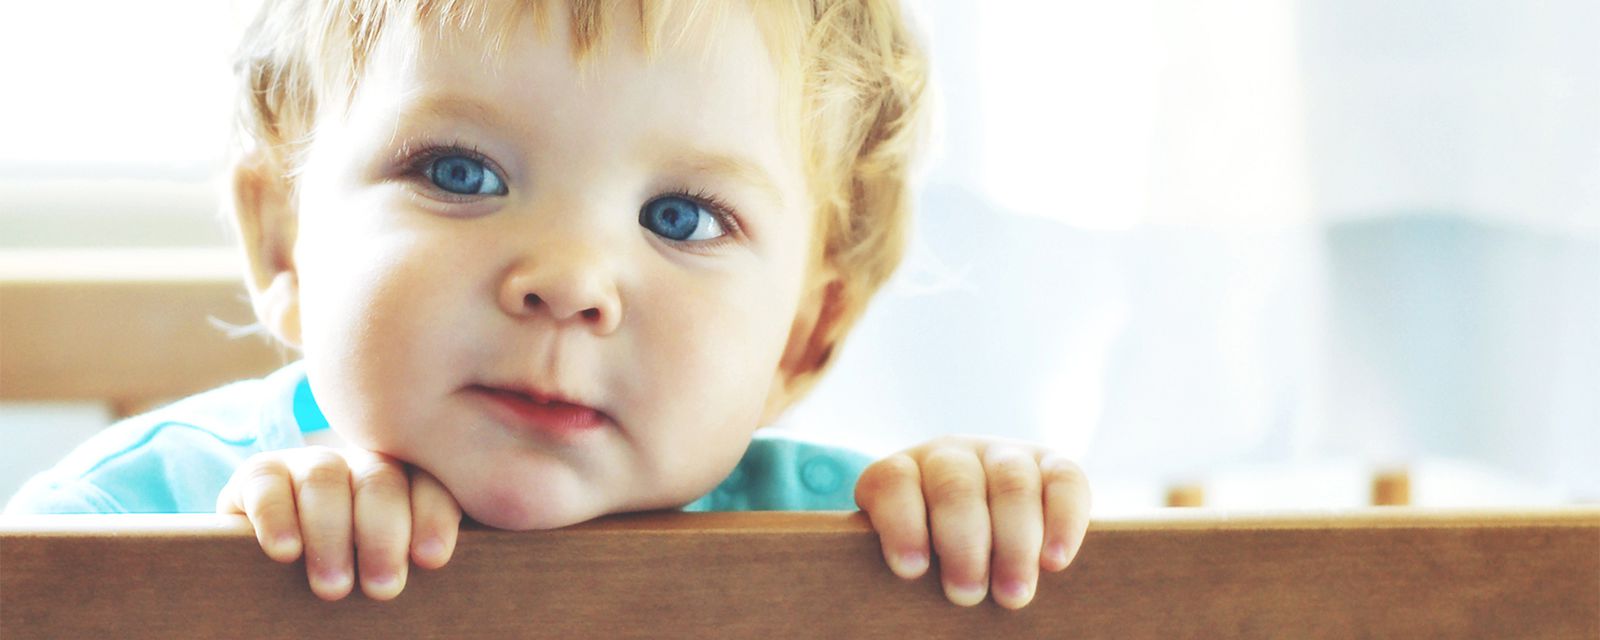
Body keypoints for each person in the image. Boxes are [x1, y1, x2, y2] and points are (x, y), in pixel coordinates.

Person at [6, 0, 1090, 610]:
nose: (569, 279)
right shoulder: (129, 525)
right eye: (460, 172)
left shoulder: (865, 560)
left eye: (680, 218)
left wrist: (998, 558)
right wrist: (237, 598)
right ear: (284, 238)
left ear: (806, 335)